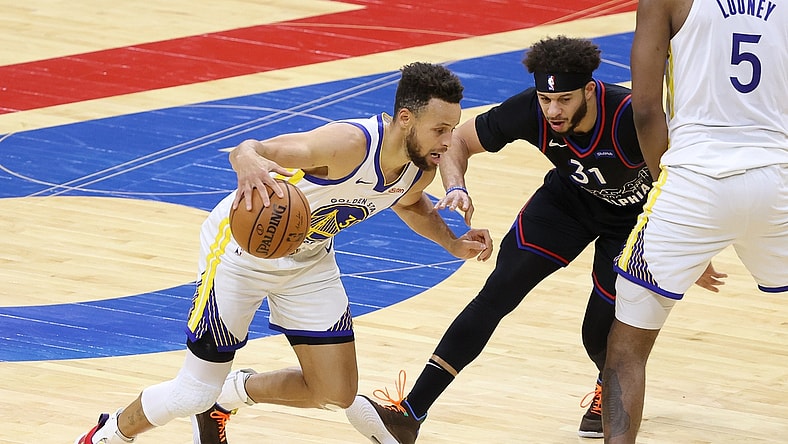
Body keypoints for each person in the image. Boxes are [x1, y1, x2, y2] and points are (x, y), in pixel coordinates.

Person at [75, 62, 494, 444]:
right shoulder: (347, 143)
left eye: (451, 129)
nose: (448, 141)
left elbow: (409, 202)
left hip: (308, 260)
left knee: (334, 393)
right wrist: (248, 163)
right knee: (192, 391)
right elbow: (250, 149)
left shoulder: (420, 166)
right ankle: (106, 434)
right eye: (440, 129)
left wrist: (452, 243)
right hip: (241, 254)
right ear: (406, 119)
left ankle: (229, 396)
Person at [343, 36, 725, 444]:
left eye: (563, 99)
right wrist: (458, 187)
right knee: (497, 292)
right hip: (567, 205)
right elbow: (460, 142)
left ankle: (609, 386)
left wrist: (691, 248)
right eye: (546, 98)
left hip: (633, 221)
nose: (553, 110)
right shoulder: (531, 109)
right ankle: (409, 415)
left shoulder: (633, 117)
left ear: (590, 90)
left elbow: (686, 180)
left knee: (598, 334)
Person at [601, 0, 787, 441]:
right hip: (778, 175)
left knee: (627, 348)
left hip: (696, 181)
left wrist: (671, 201)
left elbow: (645, 108)